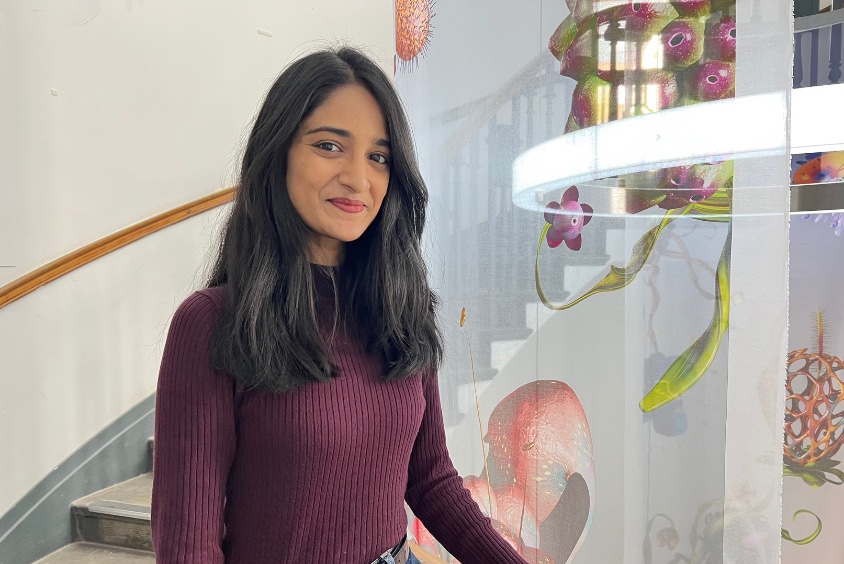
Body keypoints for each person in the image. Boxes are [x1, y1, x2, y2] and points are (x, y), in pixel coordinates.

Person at [151, 46, 527, 564]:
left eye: (378, 157)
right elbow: (188, 546)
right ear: (278, 153)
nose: (357, 178)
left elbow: (430, 478)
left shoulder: (403, 309)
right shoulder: (212, 323)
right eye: (329, 146)